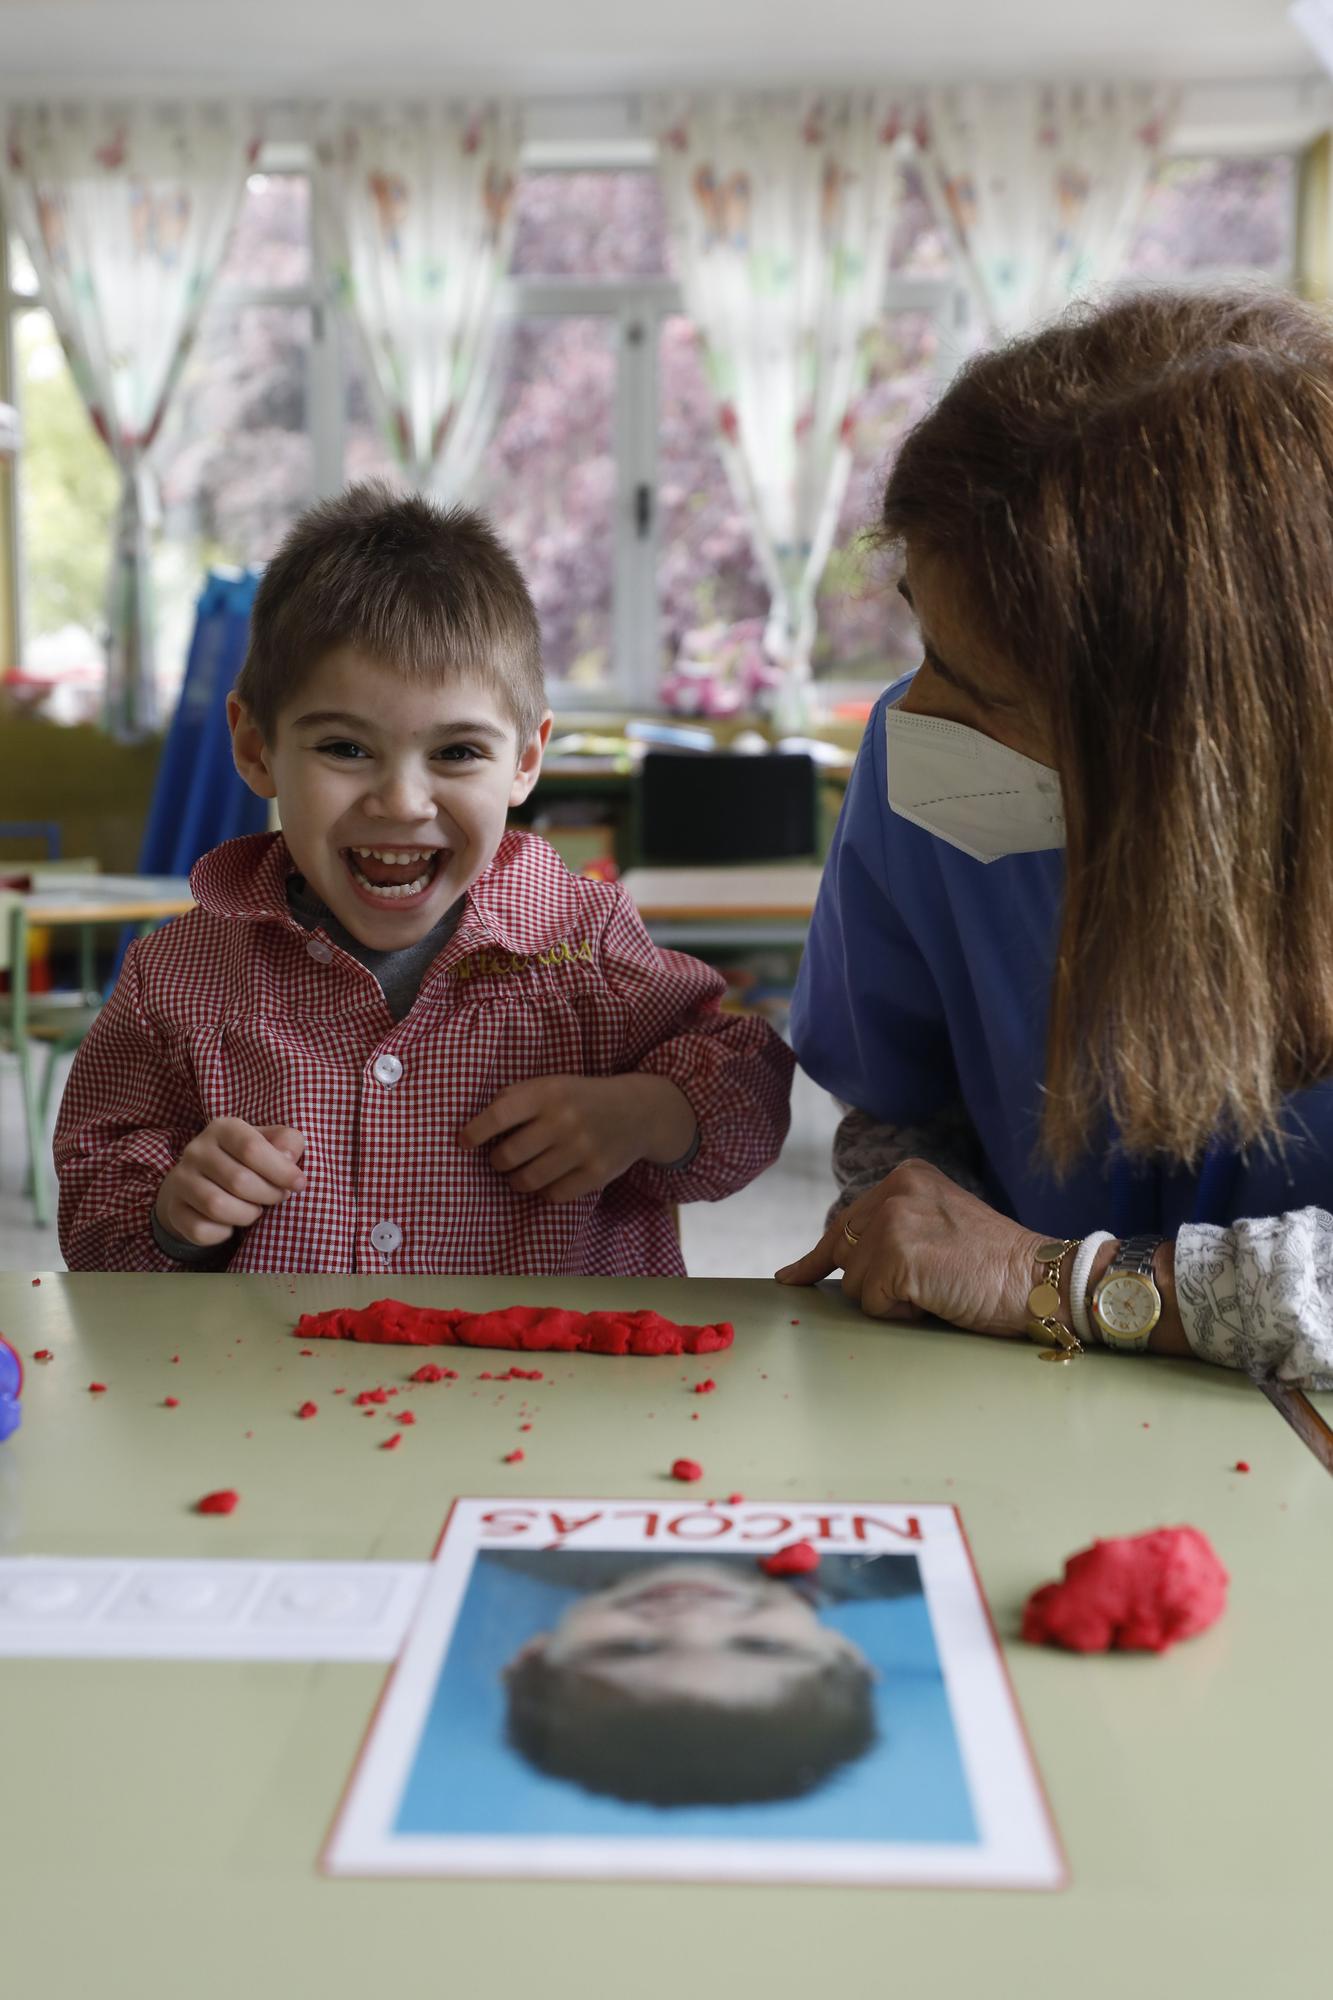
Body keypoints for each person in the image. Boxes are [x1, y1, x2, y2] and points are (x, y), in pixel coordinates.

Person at [779, 289, 1333, 1386]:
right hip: (1035, 1392)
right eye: (924, 644)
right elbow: (900, 1102)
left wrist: (1066, 1280)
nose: (913, 717)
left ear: (1188, 734)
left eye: (979, 687)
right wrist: (917, 1219)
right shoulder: (921, 772)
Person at [55, 486, 793, 1275]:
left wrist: (648, 1114)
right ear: (256, 747)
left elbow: (751, 1091)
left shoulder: (589, 946)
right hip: (278, 1391)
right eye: (344, 748)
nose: (402, 802)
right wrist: (171, 1209)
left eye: (457, 753)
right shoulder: (174, 981)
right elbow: (91, 1223)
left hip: (559, 1394)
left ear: (525, 760)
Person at [502, 1558, 879, 1806]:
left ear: (533, 1653)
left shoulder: (519, 1548)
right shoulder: (885, 1565)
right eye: (760, 1645)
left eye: (631, 1647)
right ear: (845, 1652)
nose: (693, 1620)